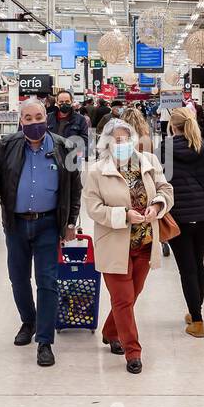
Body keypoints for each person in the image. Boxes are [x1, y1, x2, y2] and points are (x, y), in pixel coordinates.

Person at [0, 98, 82, 367]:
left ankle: (45, 341)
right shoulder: (6, 146)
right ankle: (29, 320)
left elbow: (75, 188)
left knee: (47, 281)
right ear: (20, 121)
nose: (35, 122)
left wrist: (71, 222)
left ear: (46, 118)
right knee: (18, 279)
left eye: (39, 117)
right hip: (16, 224)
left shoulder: (65, 147)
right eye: (29, 118)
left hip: (49, 224)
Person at [83, 118, 174, 374]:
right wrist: (123, 215)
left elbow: (165, 189)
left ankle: (111, 331)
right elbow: (94, 209)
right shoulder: (95, 171)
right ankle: (133, 351)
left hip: (145, 242)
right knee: (122, 300)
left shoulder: (149, 163)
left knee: (131, 296)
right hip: (114, 245)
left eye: (126, 138)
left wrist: (157, 205)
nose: (122, 144)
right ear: (107, 143)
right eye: (116, 140)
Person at [166, 105, 204, 338]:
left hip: (178, 217)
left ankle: (198, 319)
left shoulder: (167, 149)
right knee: (198, 263)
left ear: (173, 126)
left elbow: (162, 182)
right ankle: (195, 312)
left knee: (186, 269)